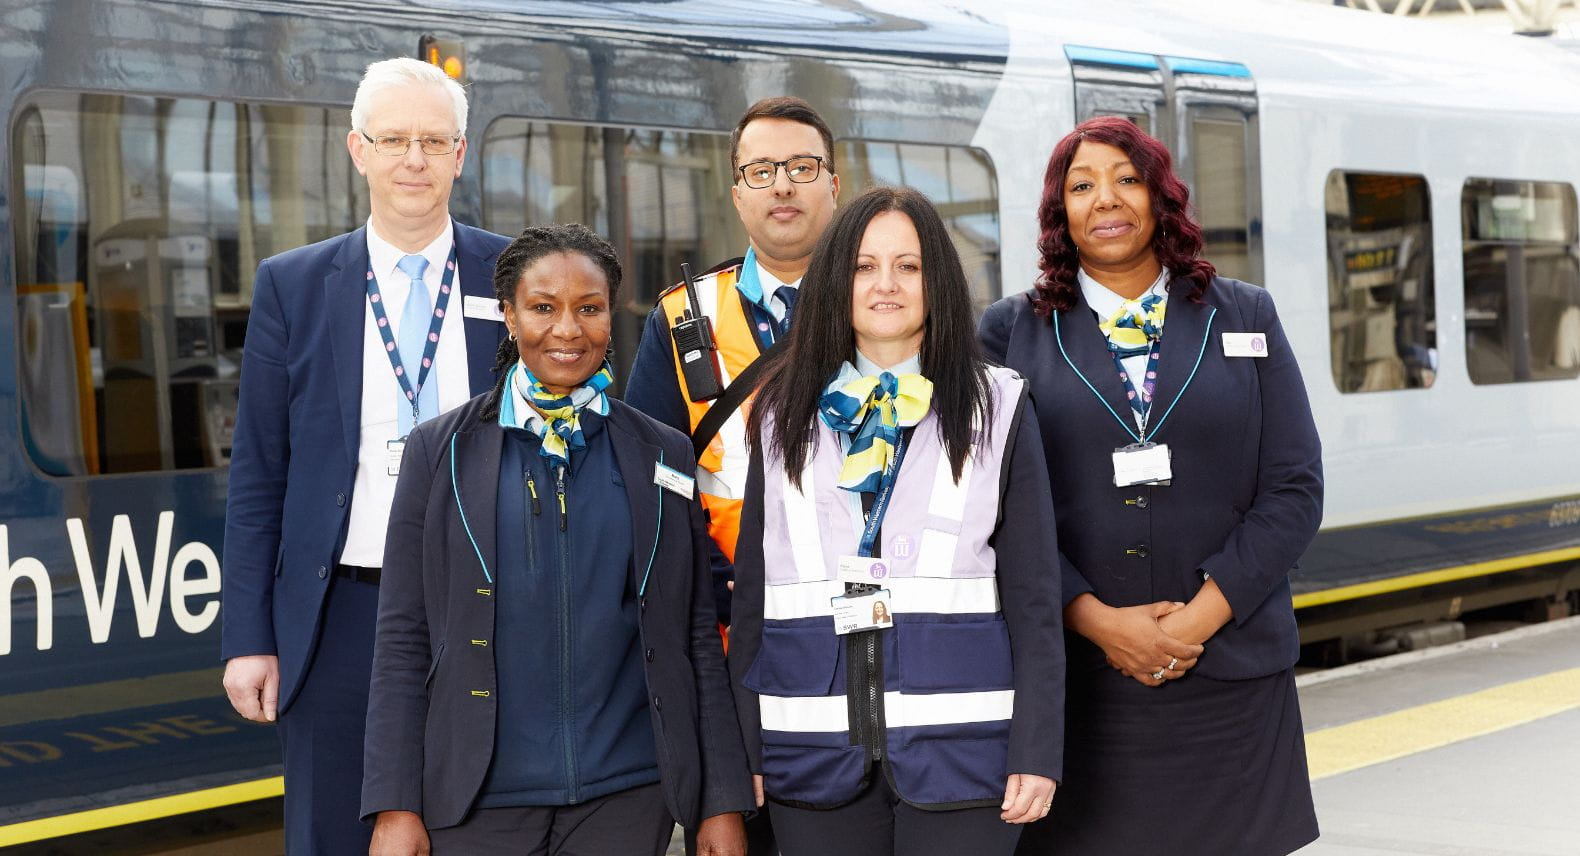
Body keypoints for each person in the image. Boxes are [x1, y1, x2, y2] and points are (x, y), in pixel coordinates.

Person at [977, 116, 1323, 856]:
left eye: (1127, 180)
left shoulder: (1245, 314)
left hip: (1229, 679)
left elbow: (1295, 487)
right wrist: (1101, 623)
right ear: (1058, 213)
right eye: (1082, 186)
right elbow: (990, 513)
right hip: (1084, 692)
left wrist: (1190, 624)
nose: (1106, 200)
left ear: (1161, 198)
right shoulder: (1010, 334)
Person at [361, 224, 752, 855]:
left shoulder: (663, 451)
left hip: (630, 792)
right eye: (543, 308)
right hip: (475, 797)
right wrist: (393, 802)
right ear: (509, 317)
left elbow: (694, 633)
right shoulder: (440, 451)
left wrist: (721, 801)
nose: (567, 330)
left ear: (610, 316)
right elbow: (403, 636)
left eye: (589, 309)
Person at [220, 57, 510, 854]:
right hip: (342, 613)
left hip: (490, 608)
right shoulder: (295, 285)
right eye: (393, 140)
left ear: (460, 153)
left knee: (485, 828)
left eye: (433, 140)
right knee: (332, 831)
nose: (412, 159)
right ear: (358, 150)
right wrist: (248, 636)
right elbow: (258, 476)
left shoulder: (516, 274)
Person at [730, 186, 1065, 856]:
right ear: (834, 283)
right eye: (863, 266)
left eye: (908, 266)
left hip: (965, 752)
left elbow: (1036, 599)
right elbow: (754, 600)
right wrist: (746, 748)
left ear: (936, 280)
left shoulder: (999, 407)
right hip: (809, 750)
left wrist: (1038, 747)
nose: (886, 284)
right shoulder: (776, 416)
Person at [625, 95, 841, 630]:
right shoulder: (681, 318)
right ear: (738, 195)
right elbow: (648, 474)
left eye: (802, 167)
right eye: (761, 171)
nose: (782, 185)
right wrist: (715, 582)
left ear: (834, 186)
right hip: (734, 620)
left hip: (862, 611)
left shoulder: (885, 305)